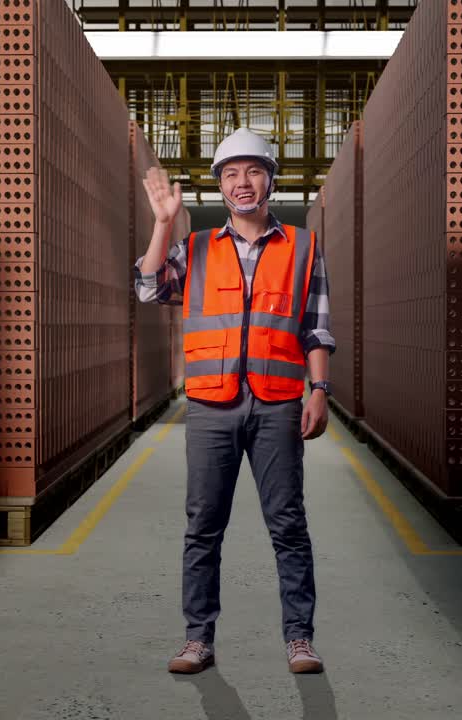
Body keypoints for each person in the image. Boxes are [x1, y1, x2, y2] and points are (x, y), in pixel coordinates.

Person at [134, 128, 336, 674]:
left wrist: (319, 390)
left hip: (276, 403)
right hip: (211, 405)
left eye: (252, 172)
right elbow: (149, 289)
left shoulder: (302, 246)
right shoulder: (196, 246)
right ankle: (198, 639)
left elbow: (316, 328)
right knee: (203, 525)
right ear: (221, 186)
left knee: (288, 523)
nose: (242, 183)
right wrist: (161, 224)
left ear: (270, 178)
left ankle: (300, 638)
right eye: (230, 174)